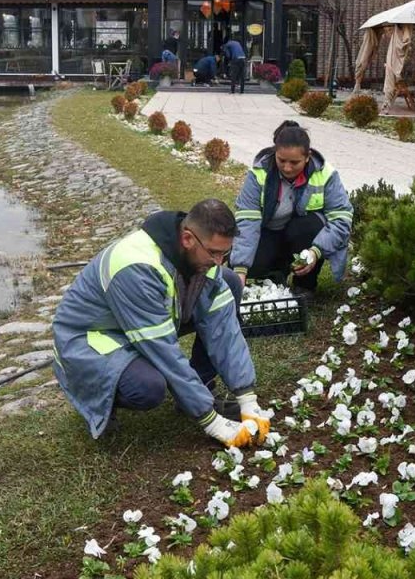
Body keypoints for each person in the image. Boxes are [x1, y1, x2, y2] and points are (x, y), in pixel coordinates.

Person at [51, 199, 270, 448]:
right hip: (91, 340)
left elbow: (223, 329)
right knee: (147, 387)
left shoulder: (201, 256)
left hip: (142, 324)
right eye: (214, 253)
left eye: (225, 253)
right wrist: (212, 422)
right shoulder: (136, 266)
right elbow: (162, 350)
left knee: (228, 282)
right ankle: (100, 395)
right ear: (188, 239)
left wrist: (247, 399)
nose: (219, 261)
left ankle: (200, 389)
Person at [230, 121, 354, 294]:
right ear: (275, 152)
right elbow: (247, 221)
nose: (287, 168)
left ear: (308, 156)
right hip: (269, 231)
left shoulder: (326, 175)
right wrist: (241, 268)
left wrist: (315, 252)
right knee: (251, 270)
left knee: (307, 228)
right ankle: (276, 273)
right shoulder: (258, 173)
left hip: (303, 235)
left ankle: (304, 285)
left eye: (295, 162)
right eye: (281, 160)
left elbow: (342, 219)